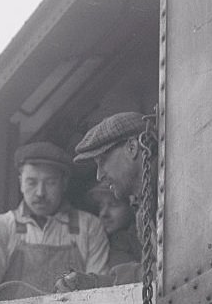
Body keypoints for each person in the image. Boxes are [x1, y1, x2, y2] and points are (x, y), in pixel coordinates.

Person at [0, 141, 109, 304]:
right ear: (21, 182)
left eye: (50, 183)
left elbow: (99, 296)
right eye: (32, 182)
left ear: (64, 183)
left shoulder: (90, 227)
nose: (40, 193)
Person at [56, 112, 156, 291]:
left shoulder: (175, 192)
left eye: (102, 161)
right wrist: (95, 283)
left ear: (132, 148)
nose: (99, 174)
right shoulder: (144, 207)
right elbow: (154, 272)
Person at [88, 181, 139, 270]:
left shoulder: (132, 240)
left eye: (113, 204)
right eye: (101, 206)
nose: (103, 213)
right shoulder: (96, 240)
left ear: (131, 207)